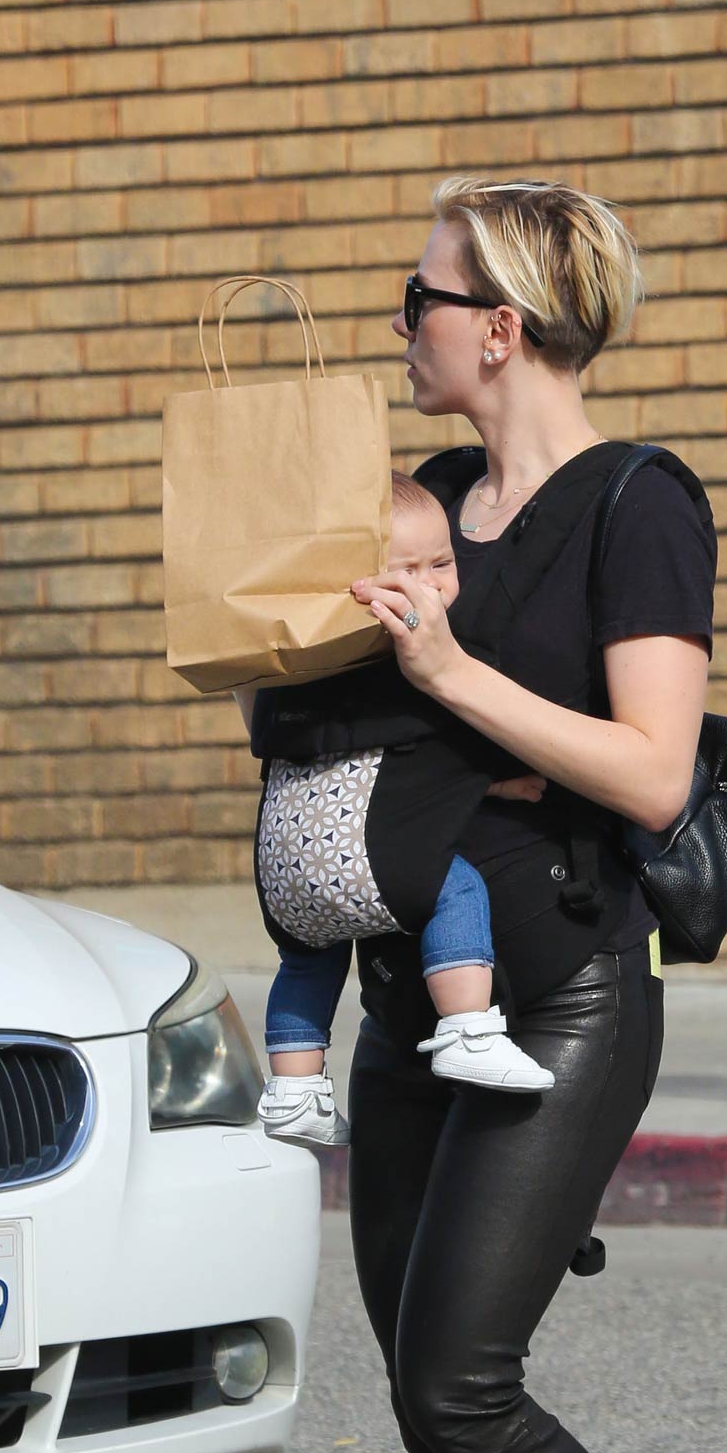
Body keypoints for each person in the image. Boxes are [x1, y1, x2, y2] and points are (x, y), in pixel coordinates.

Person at [341, 177, 727, 1453]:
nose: (407, 323)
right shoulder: (433, 498)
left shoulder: (637, 500)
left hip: (565, 998)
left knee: (465, 1378)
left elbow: (655, 775)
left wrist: (450, 676)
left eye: (421, 293)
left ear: (501, 323)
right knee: (430, 1410)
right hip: (410, 1002)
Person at [251, 472, 553, 1150]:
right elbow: (452, 749)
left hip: (284, 872)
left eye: (442, 564)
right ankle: (468, 1028)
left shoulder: (301, 669)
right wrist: (506, 781)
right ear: (357, 588)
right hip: (373, 860)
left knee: (308, 961)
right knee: (454, 888)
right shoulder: (404, 660)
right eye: (405, 571)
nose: (430, 586)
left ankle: (293, 1089)